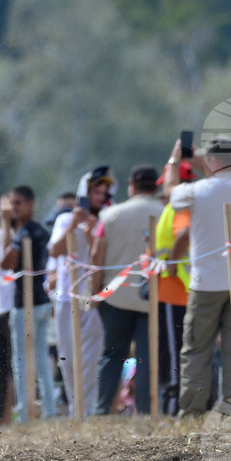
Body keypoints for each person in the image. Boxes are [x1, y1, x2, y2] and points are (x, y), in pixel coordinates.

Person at [163, 136, 231, 417]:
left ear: (212, 161)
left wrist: (176, 160)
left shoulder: (197, 191)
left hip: (205, 283)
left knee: (196, 350)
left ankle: (192, 412)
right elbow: (222, 175)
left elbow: (171, 192)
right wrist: (205, 162)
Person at [89, 165, 165, 415]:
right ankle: (145, 412)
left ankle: (102, 411)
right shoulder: (165, 213)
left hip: (115, 297)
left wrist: (95, 292)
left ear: (131, 185)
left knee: (111, 355)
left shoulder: (110, 215)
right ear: (156, 186)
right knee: (146, 359)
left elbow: (95, 255)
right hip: (152, 299)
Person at [47, 166, 116, 417]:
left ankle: (88, 408)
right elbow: (54, 252)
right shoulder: (65, 219)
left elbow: (105, 256)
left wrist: (90, 231)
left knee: (91, 355)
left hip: (94, 296)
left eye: (103, 192)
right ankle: (76, 408)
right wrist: (72, 227)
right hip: (67, 295)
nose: (99, 196)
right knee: (66, 355)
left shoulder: (107, 218)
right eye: (95, 192)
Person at [0, 185, 57, 421]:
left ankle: (25, 412)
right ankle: (50, 410)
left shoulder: (24, 232)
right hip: (42, 302)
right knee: (42, 358)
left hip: (26, 305)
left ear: (31, 203)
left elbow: (5, 263)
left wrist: (4, 223)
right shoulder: (42, 231)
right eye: (11, 204)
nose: (13, 208)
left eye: (18, 203)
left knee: (21, 359)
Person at [154, 161, 196, 415]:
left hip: (178, 290)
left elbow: (185, 234)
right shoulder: (189, 204)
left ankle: (173, 408)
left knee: (173, 356)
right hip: (184, 290)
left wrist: (170, 264)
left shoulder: (180, 208)